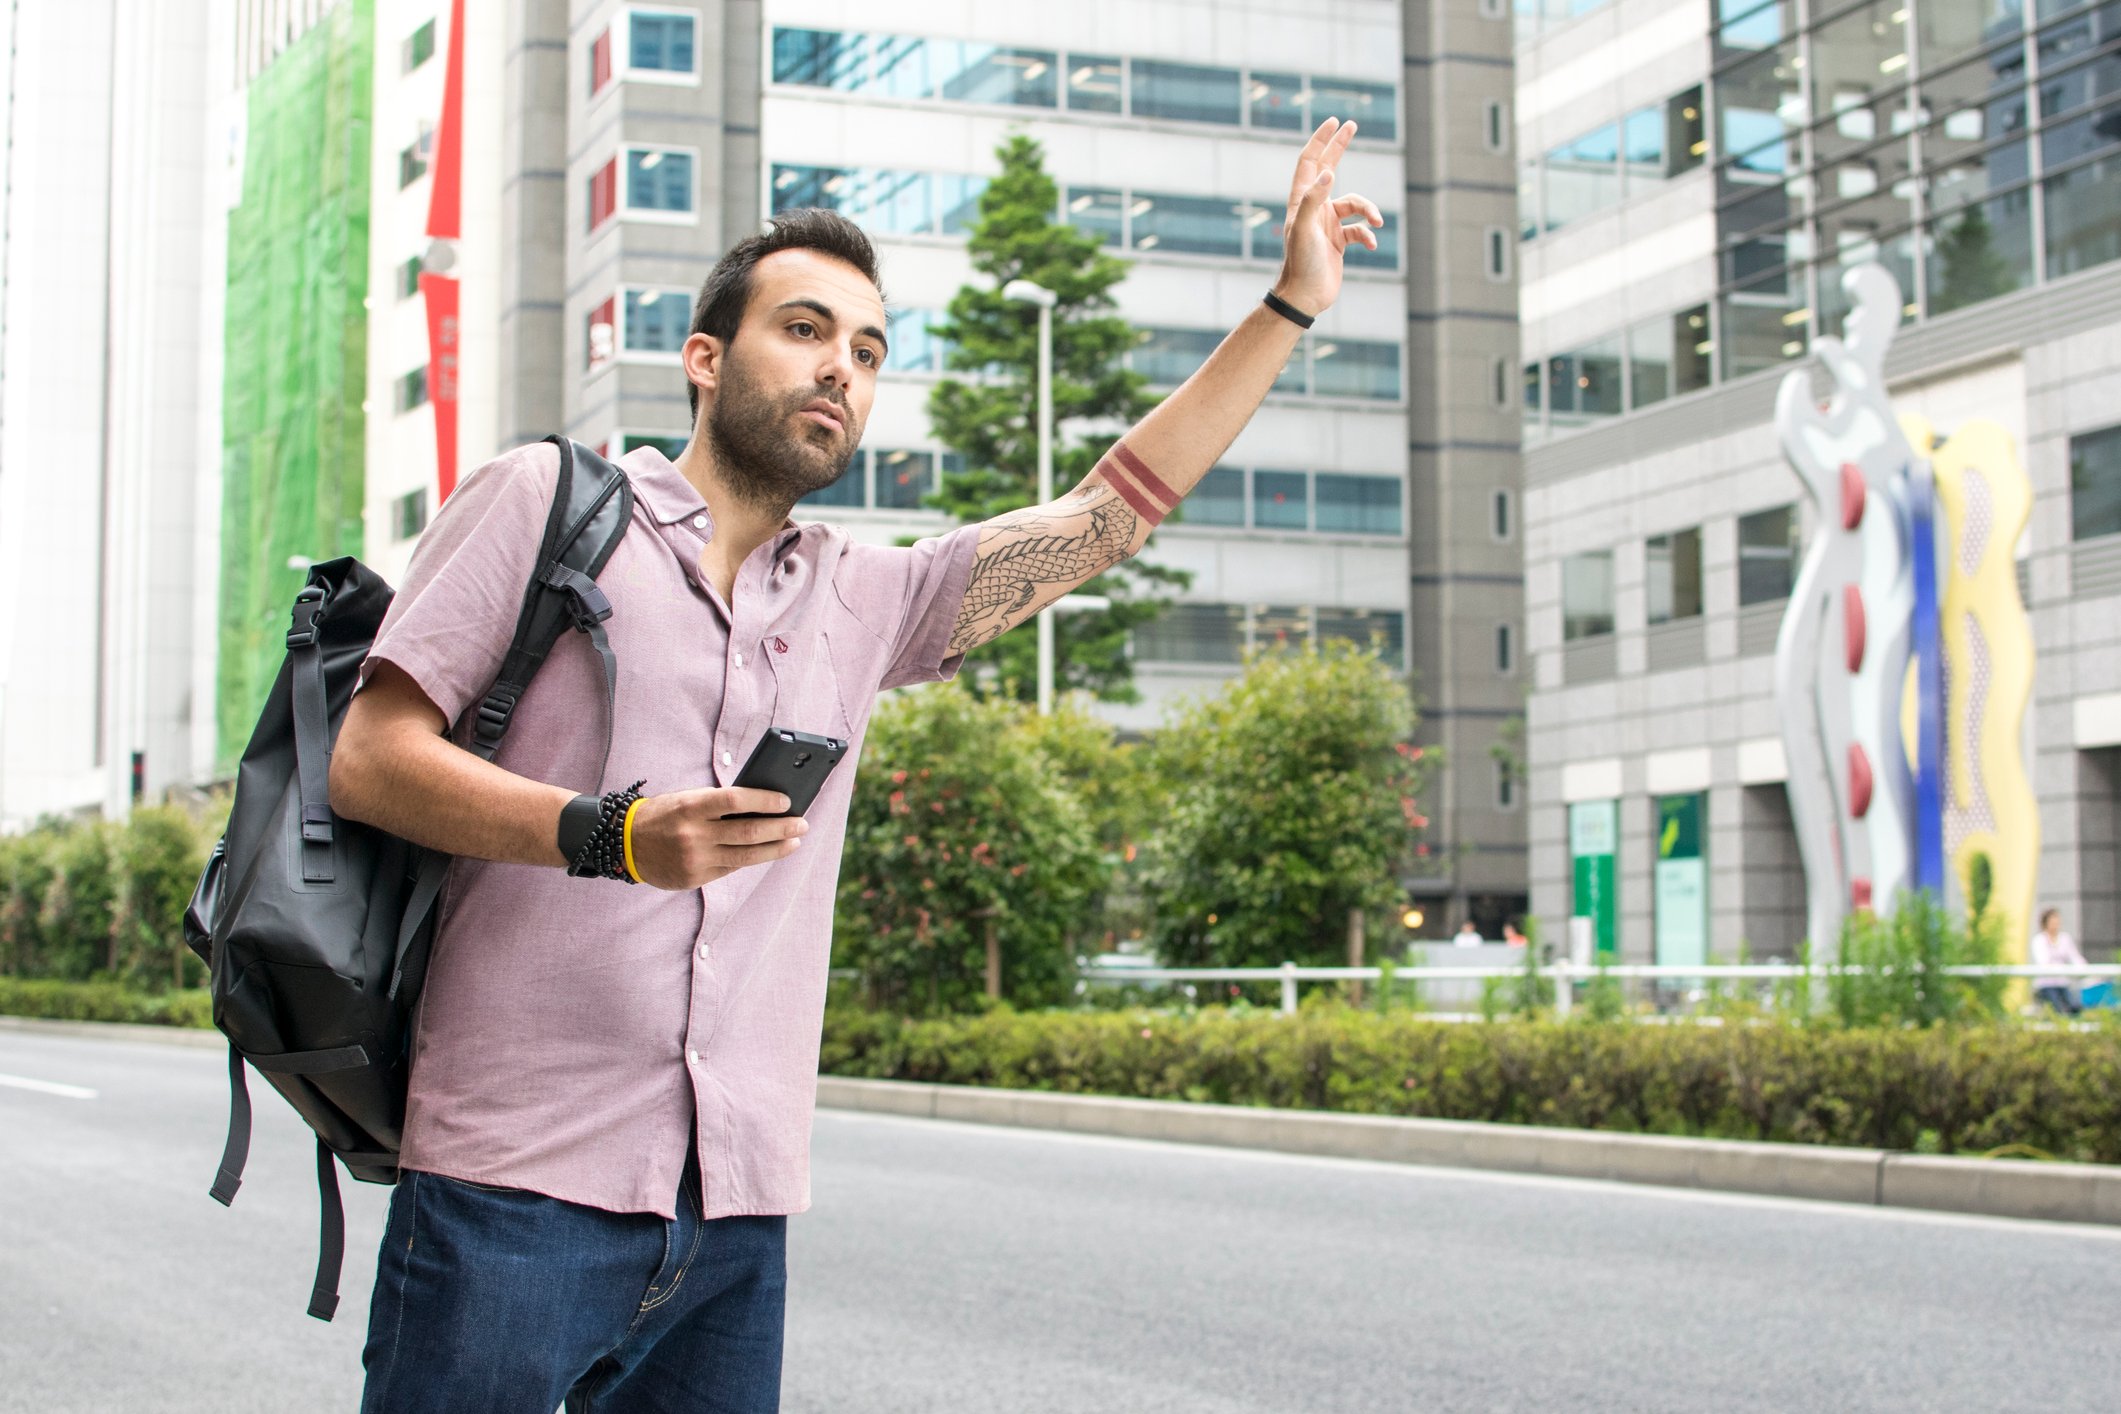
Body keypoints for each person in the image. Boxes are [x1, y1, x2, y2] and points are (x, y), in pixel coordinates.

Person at [328, 119, 1382, 1414]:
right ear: (705, 359)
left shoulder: (861, 597)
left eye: (869, 352)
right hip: (513, 1185)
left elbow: (1105, 516)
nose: (841, 368)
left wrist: (1287, 307)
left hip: (731, 1213)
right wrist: (612, 833)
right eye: (806, 329)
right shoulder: (542, 503)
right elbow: (371, 761)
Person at [2031, 907, 2087, 1016]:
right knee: (2057, 1009)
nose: (2055, 924)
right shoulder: (2039, 940)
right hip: (2046, 984)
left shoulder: (2065, 938)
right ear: (2045, 923)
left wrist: (2085, 968)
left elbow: (2074, 956)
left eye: (2057, 921)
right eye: (2052, 921)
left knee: (2075, 1008)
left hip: (2062, 982)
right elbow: (2043, 961)